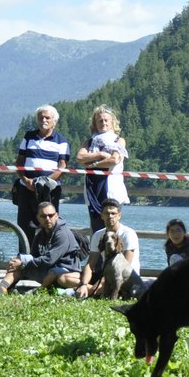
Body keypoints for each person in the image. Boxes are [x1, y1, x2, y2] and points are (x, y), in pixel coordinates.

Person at [0, 201, 85, 294]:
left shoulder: (62, 234)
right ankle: (2, 287)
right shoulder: (40, 234)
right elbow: (34, 256)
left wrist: (23, 264)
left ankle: (39, 291)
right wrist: (18, 262)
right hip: (46, 269)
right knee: (20, 260)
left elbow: (50, 259)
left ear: (56, 216)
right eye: (43, 216)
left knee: (52, 271)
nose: (47, 219)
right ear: (38, 218)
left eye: (51, 215)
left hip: (65, 271)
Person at [14, 105, 71, 242]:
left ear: (54, 121)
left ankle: (47, 258)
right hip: (26, 188)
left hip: (50, 190)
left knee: (48, 223)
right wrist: (26, 179)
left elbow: (62, 166)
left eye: (47, 117)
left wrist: (46, 181)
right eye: (41, 118)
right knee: (25, 224)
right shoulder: (28, 137)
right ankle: (24, 257)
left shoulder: (62, 141)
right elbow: (19, 162)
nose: (44, 120)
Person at [76, 199, 146, 299]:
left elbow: (124, 266)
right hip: (107, 275)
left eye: (113, 213)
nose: (110, 216)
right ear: (101, 216)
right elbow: (90, 264)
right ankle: (86, 290)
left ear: (119, 215)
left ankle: (90, 292)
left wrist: (96, 286)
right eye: (107, 213)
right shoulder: (98, 235)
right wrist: (83, 284)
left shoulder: (128, 234)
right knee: (66, 278)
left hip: (125, 279)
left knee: (94, 287)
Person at [76, 105, 129, 234]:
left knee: (112, 226)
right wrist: (100, 155)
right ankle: (96, 253)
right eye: (100, 121)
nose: (103, 123)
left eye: (106, 120)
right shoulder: (89, 142)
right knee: (96, 227)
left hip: (112, 187)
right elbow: (80, 157)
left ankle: (114, 252)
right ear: (95, 123)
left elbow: (114, 159)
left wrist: (92, 165)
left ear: (112, 122)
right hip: (92, 187)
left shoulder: (119, 140)